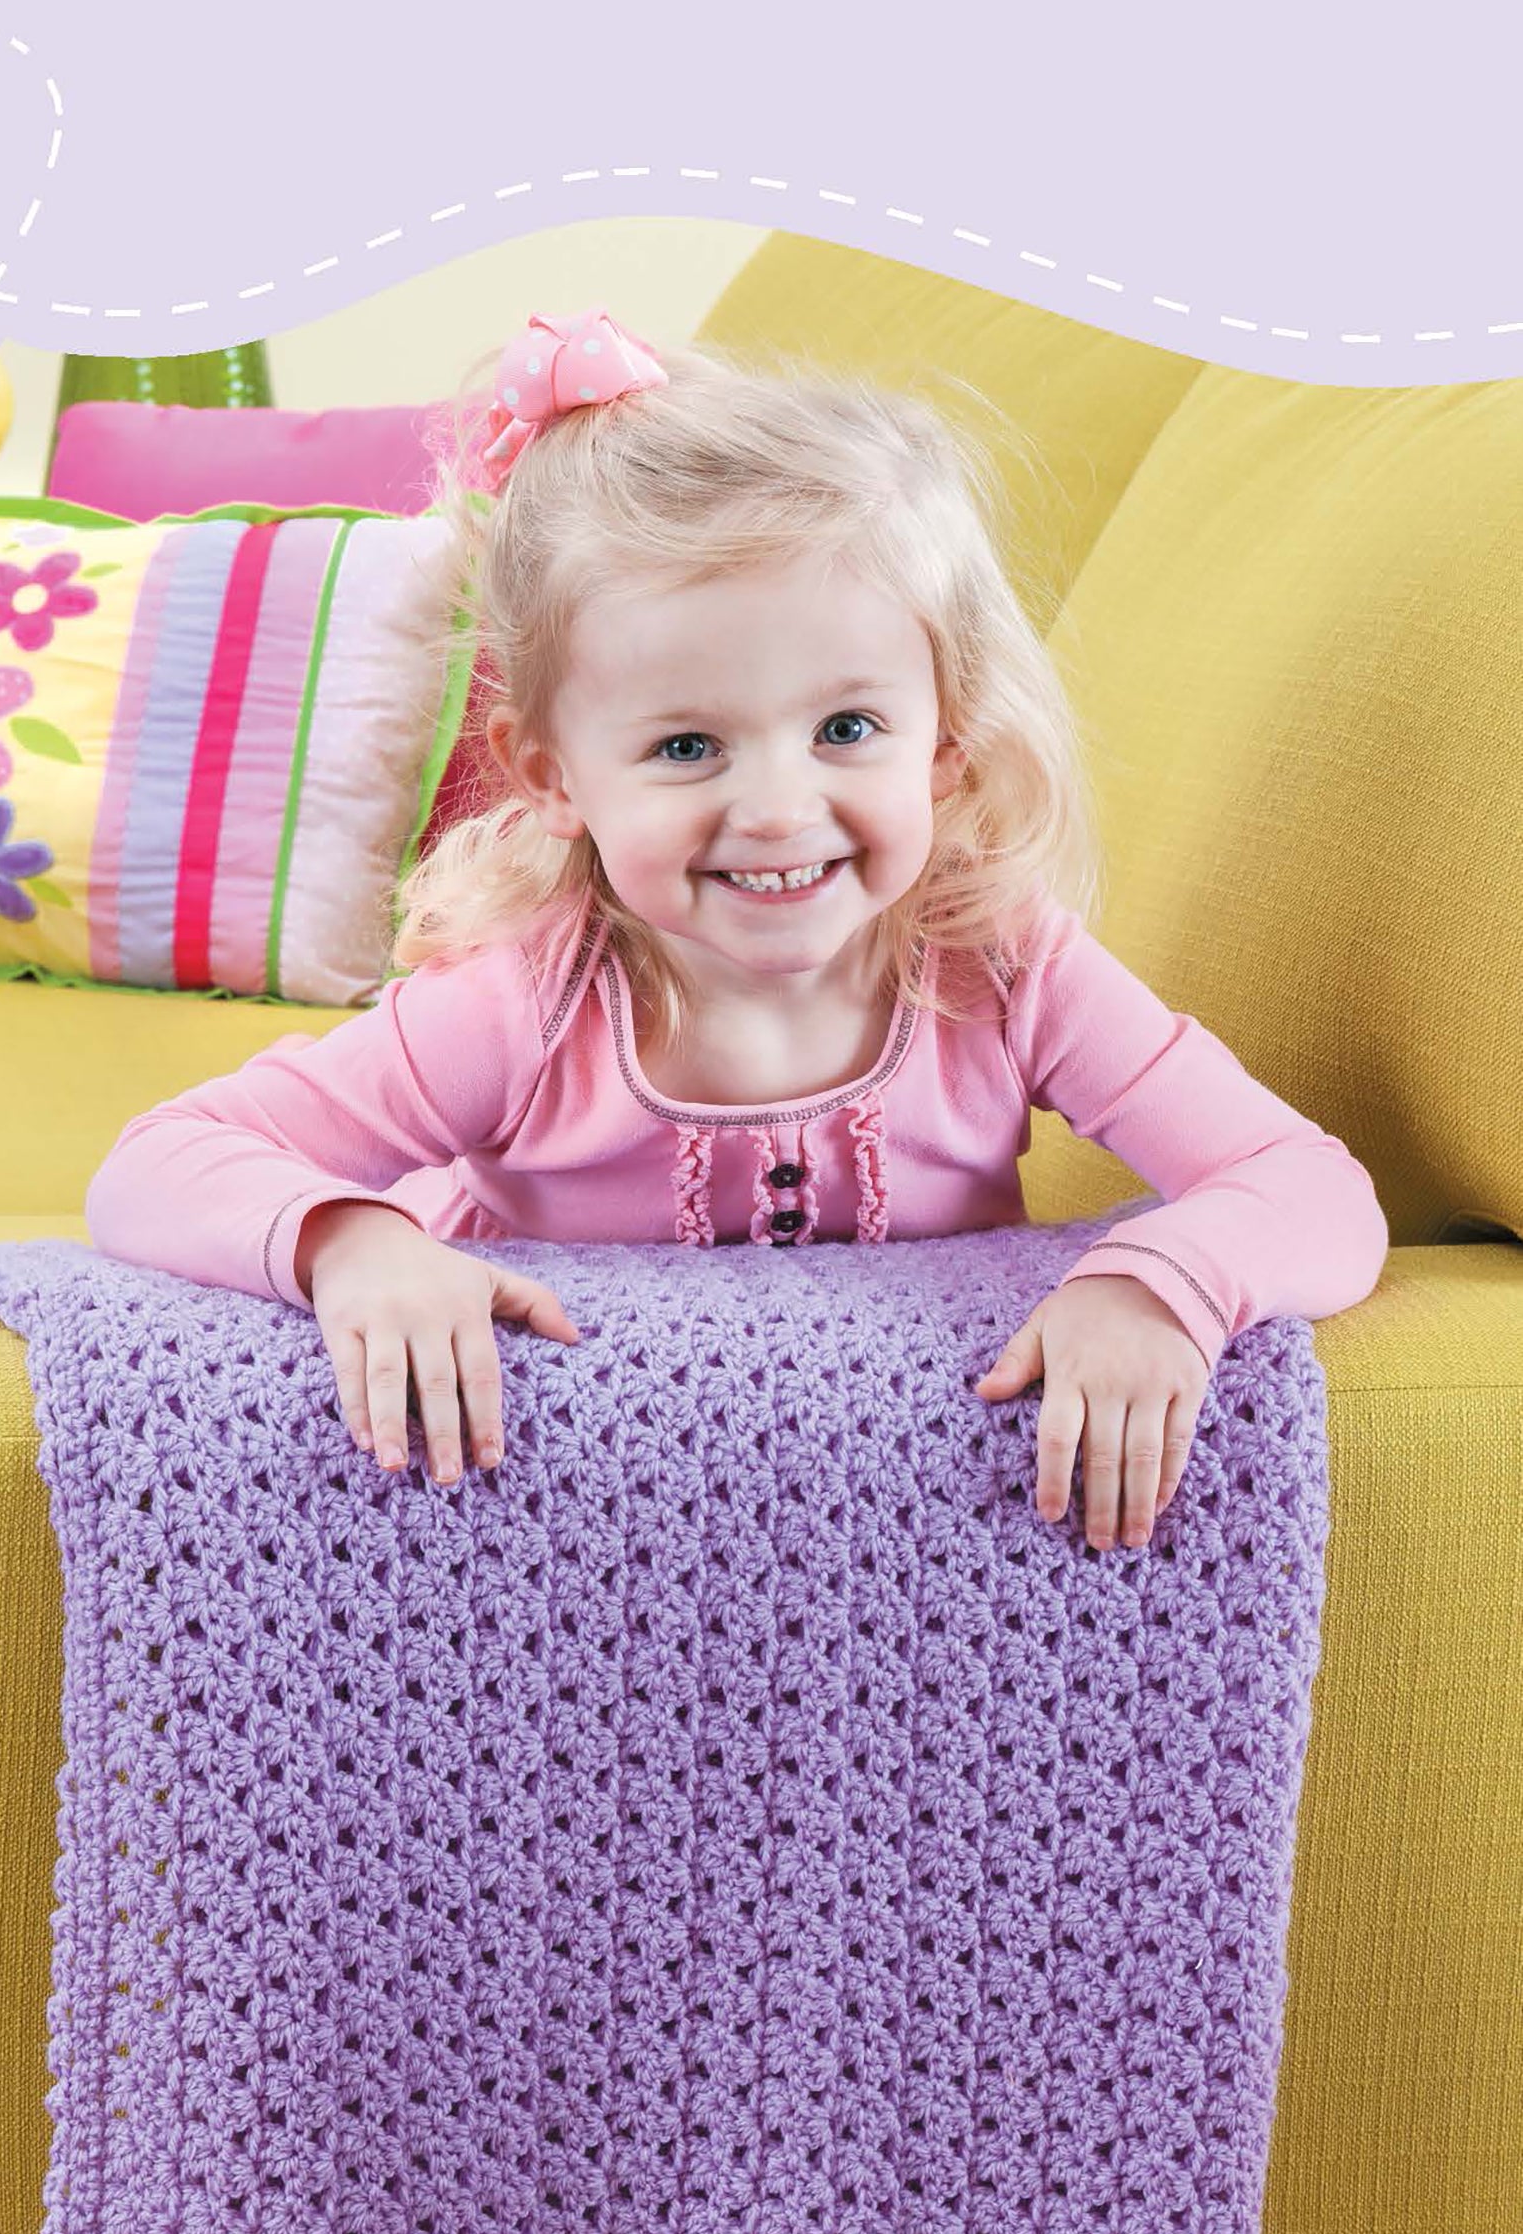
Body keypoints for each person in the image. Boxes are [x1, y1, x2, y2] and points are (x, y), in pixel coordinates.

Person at [85, 305, 1388, 1553]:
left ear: (945, 734)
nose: (774, 808)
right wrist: (352, 1240)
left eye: (845, 729)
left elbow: (1309, 1189)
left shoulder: (1000, 962)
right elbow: (158, 1166)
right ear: (547, 775)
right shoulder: (527, 1003)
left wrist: (1155, 1283)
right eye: (686, 745)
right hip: (559, 1513)